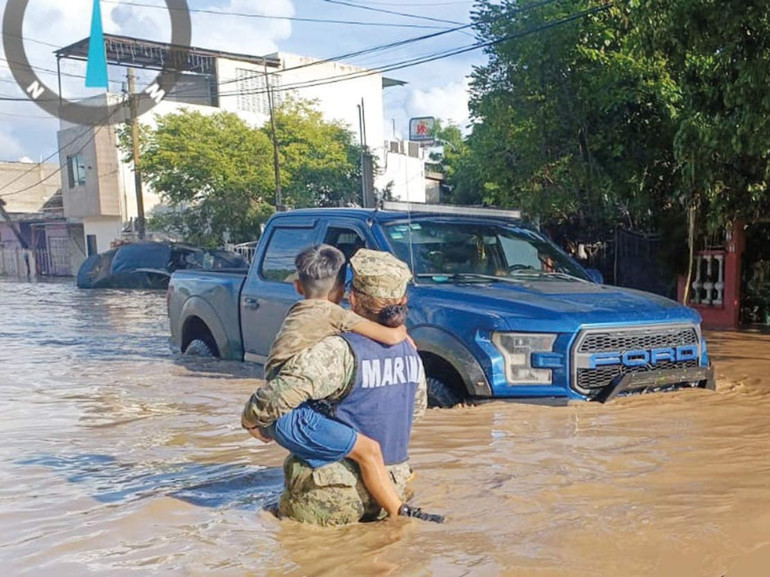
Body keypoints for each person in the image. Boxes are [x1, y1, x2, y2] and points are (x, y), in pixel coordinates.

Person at [242, 249, 443, 526]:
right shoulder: (410, 352)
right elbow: (415, 411)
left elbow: (278, 395)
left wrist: (251, 420)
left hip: (332, 495)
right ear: (404, 300)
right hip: (391, 486)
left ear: (353, 299)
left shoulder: (337, 350)